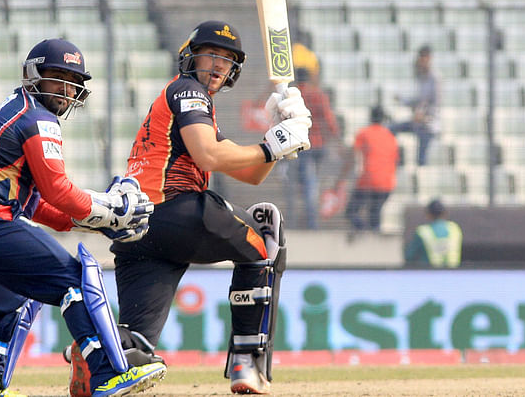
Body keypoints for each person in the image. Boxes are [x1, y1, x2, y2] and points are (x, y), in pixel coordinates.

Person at [65, 20, 313, 396]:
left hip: (138, 233)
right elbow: (209, 155)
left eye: (227, 60)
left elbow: (251, 173)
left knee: (137, 345)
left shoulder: (192, 107)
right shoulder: (187, 90)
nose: (218, 64)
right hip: (175, 208)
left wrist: (278, 133)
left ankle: (93, 349)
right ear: (190, 56)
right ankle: (247, 364)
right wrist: (271, 146)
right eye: (211, 54)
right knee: (265, 233)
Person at [0, 38, 167, 396]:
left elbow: (37, 206)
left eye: (72, 80)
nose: (65, 89)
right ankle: (108, 373)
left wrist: (96, 222)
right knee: (76, 278)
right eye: (56, 77)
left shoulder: (13, 111)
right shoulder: (37, 116)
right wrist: (108, 209)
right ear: (32, 76)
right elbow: (58, 189)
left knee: (9, 297)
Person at [279, 43, 341, 229]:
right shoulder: (318, 94)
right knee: (310, 184)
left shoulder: (291, 95)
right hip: (317, 145)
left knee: (299, 185)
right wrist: (333, 137)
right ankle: (310, 221)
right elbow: (329, 119)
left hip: (297, 144)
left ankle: (301, 221)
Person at [344, 106, 399, 232]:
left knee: (351, 212)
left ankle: (362, 230)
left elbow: (354, 156)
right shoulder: (390, 136)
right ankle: (373, 234)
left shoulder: (364, 133)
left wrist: (344, 177)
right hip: (387, 183)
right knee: (375, 214)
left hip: (368, 180)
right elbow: (395, 160)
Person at [389, 45, 440, 166]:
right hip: (417, 121)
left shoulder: (435, 79)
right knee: (390, 129)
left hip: (428, 124)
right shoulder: (421, 78)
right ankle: (397, 161)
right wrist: (402, 101)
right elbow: (418, 101)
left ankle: (422, 168)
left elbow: (435, 104)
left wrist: (423, 115)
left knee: (421, 159)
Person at [404, 199, 463, 268]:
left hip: (429, 275)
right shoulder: (454, 229)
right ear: (445, 213)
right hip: (455, 275)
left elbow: (409, 256)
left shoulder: (423, 232)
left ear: (428, 214)